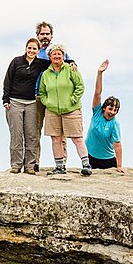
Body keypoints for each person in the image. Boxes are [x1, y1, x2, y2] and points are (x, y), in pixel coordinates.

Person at [38, 43, 92, 176]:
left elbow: (80, 86)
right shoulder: (46, 74)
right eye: (54, 54)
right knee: (56, 139)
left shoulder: (71, 69)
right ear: (50, 56)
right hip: (52, 111)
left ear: (63, 56)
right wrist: (47, 103)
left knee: (77, 138)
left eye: (59, 54)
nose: (57, 56)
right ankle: (59, 167)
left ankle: (86, 165)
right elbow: (42, 92)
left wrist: (72, 100)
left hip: (71, 110)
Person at [2, 38, 50, 174]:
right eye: (29, 48)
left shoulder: (41, 64)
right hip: (14, 102)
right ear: (26, 48)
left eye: (34, 49)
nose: (31, 51)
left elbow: (56, 61)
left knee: (32, 135)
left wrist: (71, 62)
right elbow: (7, 80)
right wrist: (5, 99)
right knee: (16, 135)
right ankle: (16, 165)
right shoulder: (16, 61)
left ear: (38, 50)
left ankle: (29, 166)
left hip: (32, 103)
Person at [34, 21, 77, 170]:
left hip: (58, 97)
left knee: (60, 132)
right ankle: (34, 163)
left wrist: (73, 63)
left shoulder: (59, 52)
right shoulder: (34, 51)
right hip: (38, 95)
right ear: (37, 35)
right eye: (42, 34)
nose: (45, 36)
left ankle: (62, 163)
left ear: (51, 35)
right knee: (35, 130)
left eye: (47, 34)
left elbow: (71, 65)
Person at [85, 60, 124, 173]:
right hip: (90, 157)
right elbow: (98, 93)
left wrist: (119, 166)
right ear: (104, 108)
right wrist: (99, 73)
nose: (112, 112)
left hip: (107, 160)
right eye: (110, 109)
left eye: (115, 110)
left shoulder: (114, 124)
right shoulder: (97, 113)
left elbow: (117, 145)